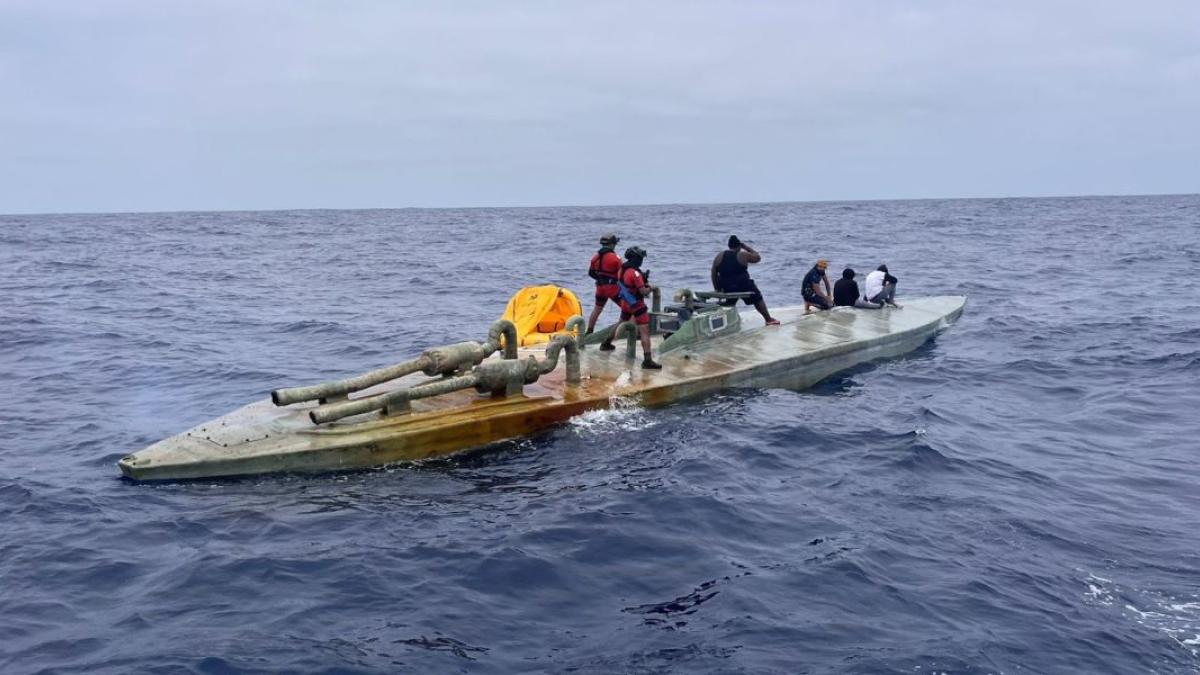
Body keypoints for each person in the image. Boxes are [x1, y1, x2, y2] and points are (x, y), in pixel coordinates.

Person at [598, 246, 662, 369]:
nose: (641, 260)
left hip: (625, 303)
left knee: (620, 322)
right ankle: (647, 360)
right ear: (636, 259)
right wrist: (650, 288)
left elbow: (627, 284)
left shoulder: (622, 269)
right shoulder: (635, 273)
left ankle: (606, 343)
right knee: (644, 331)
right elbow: (643, 291)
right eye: (640, 258)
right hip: (636, 305)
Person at [711, 235, 780, 326]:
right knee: (757, 297)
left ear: (729, 246)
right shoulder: (742, 254)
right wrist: (746, 247)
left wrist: (717, 288)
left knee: (730, 300)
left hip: (726, 286)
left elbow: (713, 273)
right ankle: (768, 319)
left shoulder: (719, 256)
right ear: (739, 246)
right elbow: (757, 258)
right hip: (742, 285)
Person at [586, 233, 623, 334]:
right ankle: (625, 332)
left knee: (597, 309)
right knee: (628, 308)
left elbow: (591, 273)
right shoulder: (615, 258)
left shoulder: (595, 257)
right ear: (612, 244)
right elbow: (622, 275)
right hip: (612, 288)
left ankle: (589, 332)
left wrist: (601, 279)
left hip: (600, 287)